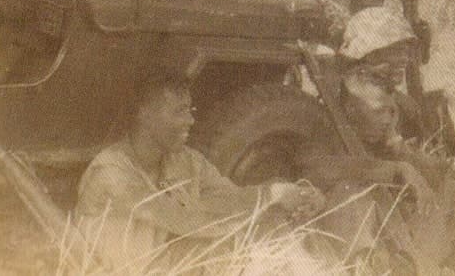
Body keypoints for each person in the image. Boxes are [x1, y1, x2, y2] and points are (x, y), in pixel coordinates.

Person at [298, 13, 455, 275]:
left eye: (404, 54)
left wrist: (401, 152)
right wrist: (395, 169)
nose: (402, 62)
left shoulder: (390, 103)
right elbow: (312, 167)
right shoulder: (329, 113)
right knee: (349, 195)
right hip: (365, 241)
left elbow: (436, 173)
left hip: (403, 235)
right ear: (368, 55)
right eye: (393, 53)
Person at [75, 72, 325, 274]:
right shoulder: (110, 173)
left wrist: (292, 195)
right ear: (144, 114)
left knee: (271, 223)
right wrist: (271, 196)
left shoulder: (186, 161)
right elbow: (185, 222)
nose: (190, 121)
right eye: (178, 111)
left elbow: (231, 197)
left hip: (171, 264)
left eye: (190, 111)